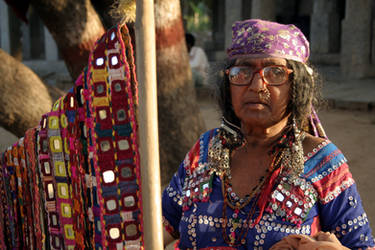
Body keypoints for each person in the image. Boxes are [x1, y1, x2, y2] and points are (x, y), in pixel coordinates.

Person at [162, 19, 375, 249]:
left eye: (275, 73)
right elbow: (160, 225)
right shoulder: (205, 148)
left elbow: (362, 245)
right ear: (228, 84)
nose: (256, 86)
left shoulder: (323, 161)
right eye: (242, 72)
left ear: (296, 86)